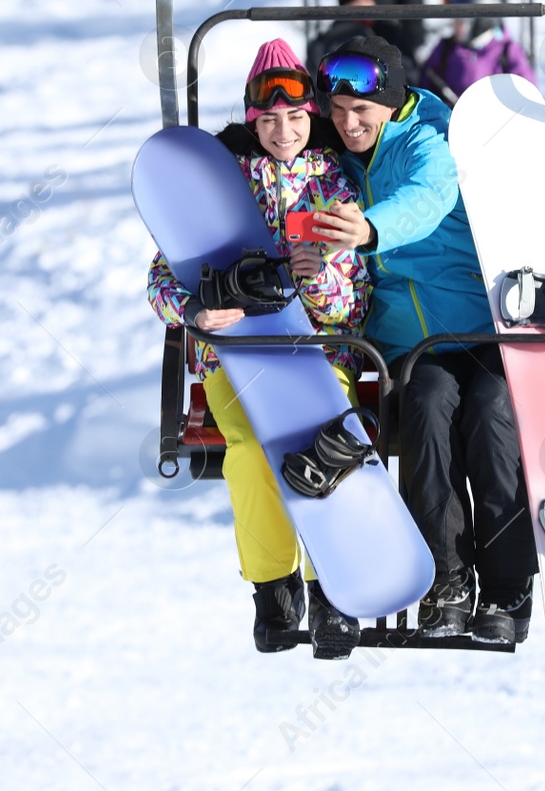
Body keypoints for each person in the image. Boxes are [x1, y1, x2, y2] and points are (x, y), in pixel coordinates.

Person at [146, 38, 370, 659]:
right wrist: (196, 310)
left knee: (322, 445)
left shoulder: (332, 179)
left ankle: (332, 591)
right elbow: (161, 279)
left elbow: (351, 304)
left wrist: (318, 272)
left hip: (319, 351)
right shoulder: (219, 181)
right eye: (269, 119)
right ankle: (273, 588)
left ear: (312, 117)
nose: (283, 131)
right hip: (235, 355)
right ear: (252, 120)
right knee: (247, 447)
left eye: (296, 117)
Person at [308, 35, 537, 643]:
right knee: (427, 408)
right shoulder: (339, 148)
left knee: (492, 415)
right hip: (414, 347)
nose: (348, 123)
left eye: (361, 110)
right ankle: (448, 579)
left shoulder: (429, 134)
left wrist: (369, 225)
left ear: (391, 99)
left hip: (477, 327)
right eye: (337, 110)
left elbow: (428, 198)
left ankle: (509, 581)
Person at [418, 0, 533, 105]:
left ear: (480, 23)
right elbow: (424, 85)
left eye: (461, 21)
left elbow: (527, 95)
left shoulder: (507, 51)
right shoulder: (446, 47)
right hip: (448, 118)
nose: (455, 25)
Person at [306, 0, 418, 82]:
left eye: (368, 7)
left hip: (384, 98)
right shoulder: (326, 41)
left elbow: (408, 76)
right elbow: (317, 79)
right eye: (357, 7)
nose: (364, 14)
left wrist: (376, 79)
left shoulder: (390, 35)